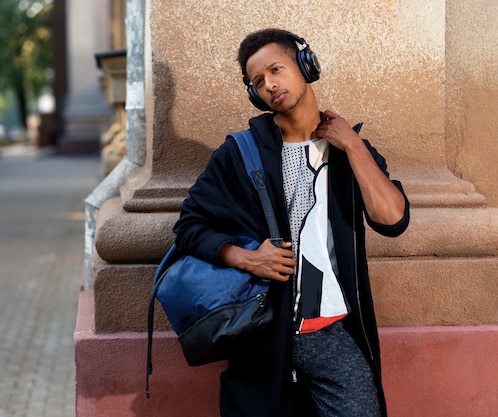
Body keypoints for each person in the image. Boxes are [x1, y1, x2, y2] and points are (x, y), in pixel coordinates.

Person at [173, 28, 410, 417]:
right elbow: (188, 228)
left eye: (276, 69)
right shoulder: (240, 152)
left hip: (333, 333)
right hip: (263, 335)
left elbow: (393, 220)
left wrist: (351, 145)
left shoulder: (352, 151)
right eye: (257, 81)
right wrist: (246, 258)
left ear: (305, 65)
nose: (269, 84)